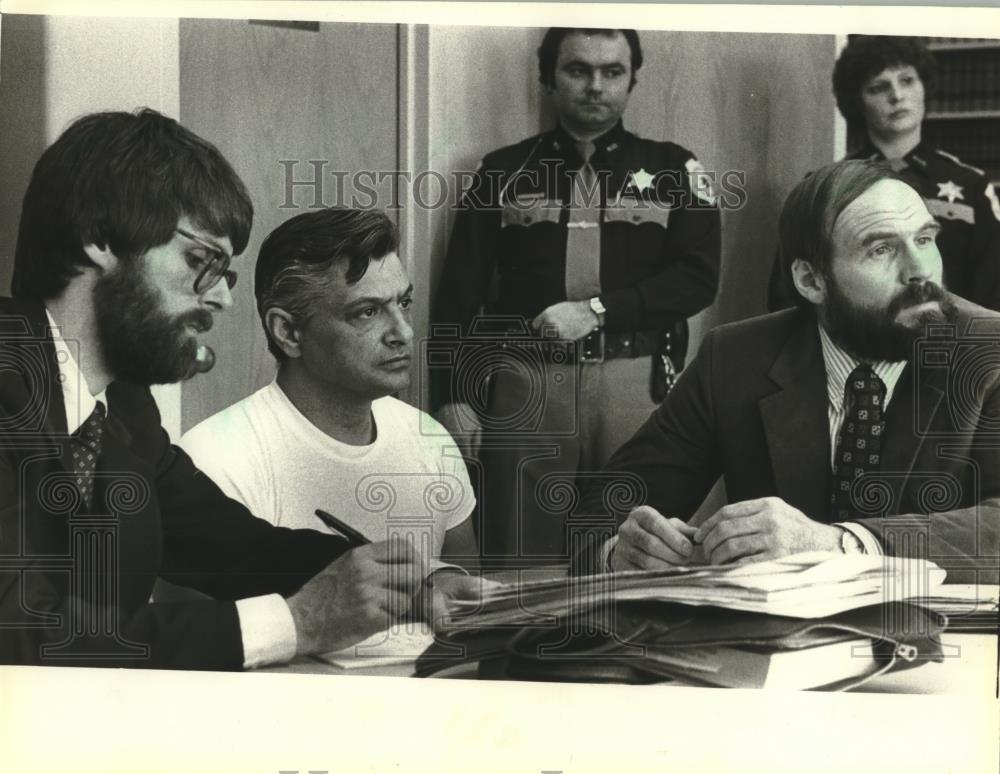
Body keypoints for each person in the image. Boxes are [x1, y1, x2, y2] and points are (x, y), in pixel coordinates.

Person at [0, 109, 433, 670]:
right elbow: (19, 633)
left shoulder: (123, 405)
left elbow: (231, 546)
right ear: (99, 237)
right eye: (202, 261)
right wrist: (296, 622)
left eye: (226, 275)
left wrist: (402, 581)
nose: (224, 300)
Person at [575, 159, 1000, 585]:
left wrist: (841, 545)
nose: (921, 270)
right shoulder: (735, 357)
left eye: (924, 239)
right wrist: (620, 552)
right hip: (775, 639)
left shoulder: (991, 349)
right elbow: (604, 507)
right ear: (812, 281)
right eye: (881, 249)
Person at [430, 27, 721, 563]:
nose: (595, 85)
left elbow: (698, 278)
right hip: (528, 385)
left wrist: (597, 311)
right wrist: (453, 394)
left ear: (632, 79)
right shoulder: (501, 171)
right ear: (549, 78)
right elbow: (458, 297)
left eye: (612, 71)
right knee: (523, 553)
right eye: (578, 70)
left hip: (637, 384)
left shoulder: (674, 169)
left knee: (636, 546)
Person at [180, 208, 480, 587]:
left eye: (403, 303)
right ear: (288, 332)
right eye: (368, 312)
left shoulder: (430, 438)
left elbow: (467, 613)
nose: (403, 332)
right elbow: (205, 638)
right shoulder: (217, 459)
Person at [769, 35, 1000, 311]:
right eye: (879, 87)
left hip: (950, 343)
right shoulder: (823, 187)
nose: (897, 96)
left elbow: (993, 295)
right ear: (857, 102)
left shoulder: (972, 185)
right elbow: (789, 296)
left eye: (907, 80)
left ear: (924, 86)